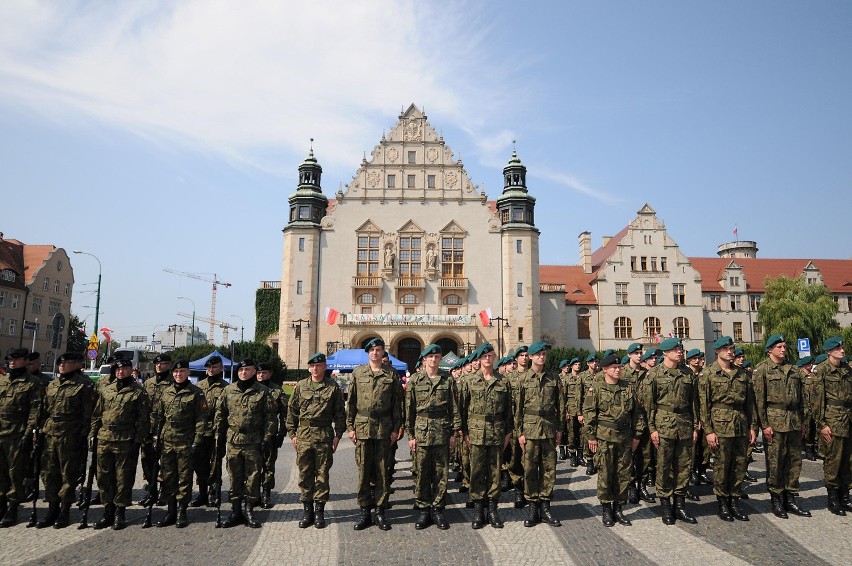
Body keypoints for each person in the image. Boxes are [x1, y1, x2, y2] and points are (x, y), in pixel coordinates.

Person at [346, 337, 402, 531]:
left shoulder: (392, 374)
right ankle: (364, 512)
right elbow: (351, 402)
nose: (375, 353)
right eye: (372, 350)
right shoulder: (357, 373)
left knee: (382, 471)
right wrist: (350, 427)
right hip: (362, 427)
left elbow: (397, 405)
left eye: (378, 350)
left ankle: (380, 511)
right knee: (363, 471)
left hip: (384, 428)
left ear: (383, 352)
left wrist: (396, 428)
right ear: (368, 353)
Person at [752, 334, 811, 518]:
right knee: (776, 462)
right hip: (774, 421)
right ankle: (776, 499)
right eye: (779, 347)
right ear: (770, 349)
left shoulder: (793, 369)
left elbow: (802, 399)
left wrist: (802, 422)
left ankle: (791, 498)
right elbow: (759, 401)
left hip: (793, 420)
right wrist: (764, 425)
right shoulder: (762, 370)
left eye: (784, 346)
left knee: (794, 461)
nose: (783, 349)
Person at [34, 352, 94, 528]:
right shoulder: (52, 385)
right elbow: (44, 410)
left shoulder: (84, 385)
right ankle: (52, 508)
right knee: (48, 473)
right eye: (60, 362)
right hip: (50, 435)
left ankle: (64, 510)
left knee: (67, 474)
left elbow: (87, 414)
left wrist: (83, 437)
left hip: (70, 436)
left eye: (66, 362)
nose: (61, 365)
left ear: (76, 364)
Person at [214, 359, 276, 528]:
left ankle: (249, 509)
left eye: (247, 369)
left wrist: (266, 439)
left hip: (253, 441)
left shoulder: (263, 392)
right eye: (241, 370)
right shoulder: (229, 390)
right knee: (235, 477)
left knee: (253, 477)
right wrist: (218, 436)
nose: (243, 372)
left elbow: (270, 418)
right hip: (233, 441)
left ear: (254, 371)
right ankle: (235, 511)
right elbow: (220, 414)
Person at [286, 352, 346, 529]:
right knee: (305, 474)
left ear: (325, 367)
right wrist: (292, 434)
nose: (315, 368)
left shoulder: (333, 387)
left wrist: (338, 435)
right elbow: (292, 411)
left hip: (324, 435)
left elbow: (340, 414)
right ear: (309, 368)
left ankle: (319, 512)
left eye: (319, 365)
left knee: (322, 474)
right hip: (304, 435)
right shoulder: (301, 386)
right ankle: (307, 511)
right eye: (312, 366)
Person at [89, 358, 150, 530]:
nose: (120, 371)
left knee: (123, 477)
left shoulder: (139, 392)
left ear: (131, 370)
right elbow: (97, 414)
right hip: (105, 437)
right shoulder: (106, 390)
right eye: (118, 369)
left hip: (125, 439)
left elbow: (143, 419)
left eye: (124, 369)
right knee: (103, 476)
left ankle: (120, 513)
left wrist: (138, 441)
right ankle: (107, 510)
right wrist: (92, 434)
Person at [584, 353, 643, 527]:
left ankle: (619, 508)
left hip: (624, 437)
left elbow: (638, 414)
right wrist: (591, 437)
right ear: (604, 369)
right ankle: (606, 509)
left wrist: (637, 436)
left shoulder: (628, 388)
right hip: (604, 438)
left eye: (619, 367)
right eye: (614, 368)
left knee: (623, 473)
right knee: (605, 473)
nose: (618, 370)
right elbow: (589, 413)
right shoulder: (596, 388)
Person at [700, 336, 756, 522]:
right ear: (717, 351)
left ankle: (734, 500)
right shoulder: (709, 374)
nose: (730, 352)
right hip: (720, 425)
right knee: (722, 466)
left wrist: (752, 427)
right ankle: (722, 502)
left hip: (740, 424)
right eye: (725, 349)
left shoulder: (742, 375)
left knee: (739, 465)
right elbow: (704, 406)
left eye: (731, 348)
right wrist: (709, 431)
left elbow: (750, 404)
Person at [459, 343, 512, 529]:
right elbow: (461, 409)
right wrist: (464, 432)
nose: (488, 358)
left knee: (495, 472)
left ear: (494, 357)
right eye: (484, 356)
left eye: (490, 355)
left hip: (497, 432)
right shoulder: (469, 381)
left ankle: (493, 509)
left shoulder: (503, 382)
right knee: (477, 472)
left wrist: (508, 433)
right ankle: (478, 510)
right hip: (476, 433)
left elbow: (508, 412)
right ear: (479, 359)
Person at [405, 344, 458, 530]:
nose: (434, 360)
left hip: (442, 432)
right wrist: (410, 435)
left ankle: (438, 509)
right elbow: (409, 410)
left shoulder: (448, 380)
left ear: (440, 359)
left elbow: (454, 409)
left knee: (441, 473)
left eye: (437, 357)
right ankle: (423, 510)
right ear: (425, 359)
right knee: (422, 473)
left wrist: (453, 433)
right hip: (421, 432)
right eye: (430, 357)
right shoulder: (415, 381)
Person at [647, 338, 699, 525]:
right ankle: (666, 506)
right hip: (664, 425)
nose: (679, 352)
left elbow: (694, 403)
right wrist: (652, 429)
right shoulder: (654, 374)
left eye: (680, 349)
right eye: (676, 349)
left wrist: (694, 426)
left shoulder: (688, 374)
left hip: (684, 424)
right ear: (665, 352)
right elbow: (649, 404)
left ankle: (680, 505)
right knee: (664, 467)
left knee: (684, 466)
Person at [152, 359, 208, 528]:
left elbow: (201, 419)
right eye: (176, 372)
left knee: (184, 478)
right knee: (168, 477)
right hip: (168, 441)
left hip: (186, 441)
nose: (178, 374)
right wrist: (156, 437)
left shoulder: (196, 393)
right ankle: (171, 511)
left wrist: (197, 442)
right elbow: (159, 416)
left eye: (182, 371)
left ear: (188, 373)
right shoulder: (166, 392)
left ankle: (182, 512)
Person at [515, 341, 564, 527]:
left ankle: (546, 506)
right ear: (531, 357)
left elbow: (560, 405)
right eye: (538, 355)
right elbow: (517, 408)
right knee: (529, 470)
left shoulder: (553, 378)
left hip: (549, 428)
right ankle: (532, 507)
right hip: (529, 430)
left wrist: (560, 429)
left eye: (544, 354)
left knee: (549, 469)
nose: (542, 357)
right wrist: (519, 432)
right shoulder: (523, 379)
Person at [0, 348, 43, 528]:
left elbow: (35, 411)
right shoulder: (2, 381)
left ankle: (13, 507)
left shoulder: (32, 383)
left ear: (25, 361)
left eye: (16, 359)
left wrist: (29, 433)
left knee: (15, 473)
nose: (12, 362)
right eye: (10, 359)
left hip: (17, 434)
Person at [810, 336, 852, 516]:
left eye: (842, 348)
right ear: (829, 351)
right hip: (832, 421)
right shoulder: (822, 371)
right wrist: (822, 424)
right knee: (833, 460)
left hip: (848, 420)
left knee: (848, 461)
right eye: (838, 348)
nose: (842, 351)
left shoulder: (847, 370)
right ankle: (833, 498)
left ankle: (845, 496)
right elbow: (817, 402)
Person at [193, 355, 228, 508]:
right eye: (208, 368)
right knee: (199, 464)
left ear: (221, 368)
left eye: (214, 367)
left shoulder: (226, 388)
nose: (211, 370)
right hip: (200, 431)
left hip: (216, 432)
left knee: (215, 464)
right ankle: (202, 493)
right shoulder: (199, 386)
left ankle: (214, 492)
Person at [621, 343, 654, 504]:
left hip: (646, 419)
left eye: (640, 353)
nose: (639, 356)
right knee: (629, 455)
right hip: (628, 421)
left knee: (646, 456)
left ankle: (642, 486)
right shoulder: (621, 373)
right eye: (635, 353)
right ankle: (631, 486)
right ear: (629, 355)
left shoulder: (648, 374)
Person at [140, 353, 173, 507]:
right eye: (157, 364)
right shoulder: (148, 383)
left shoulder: (173, 383)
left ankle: (165, 492)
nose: (159, 366)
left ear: (169, 365)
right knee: (147, 461)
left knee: (166, 462)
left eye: (163, 363)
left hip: (166, 429)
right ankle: (151, 490)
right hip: (149, 429)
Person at [256, 361, 288, 509]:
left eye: (264, 373)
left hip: (270, 434)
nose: (261, 375)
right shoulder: (252, 389)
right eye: (259, 373)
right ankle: (253, 493)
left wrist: (282, 433)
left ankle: (266, 493)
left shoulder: (277, 391)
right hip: (253, 436)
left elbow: (284, 414)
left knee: (268, 465)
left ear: (270, 374)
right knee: (253, 466)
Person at [504, 345, 529, 507]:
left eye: (527, 355)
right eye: (521, 355)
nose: (524, 358)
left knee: (530, 459)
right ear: (516, 359)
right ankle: (518, 489)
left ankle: (528, 492)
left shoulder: (534, 375)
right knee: (514, 460)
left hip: (531, 424)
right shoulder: (509, 378)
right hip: (513, 424)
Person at [578, 354, 600, 476]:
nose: (595, 364)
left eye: (596, 361)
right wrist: (580, 413)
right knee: (588, 435)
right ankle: (590, 461)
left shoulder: (601, 375)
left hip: (600, 411)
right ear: (587, 363)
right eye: (592, 361)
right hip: (587, 410)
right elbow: (578, 395)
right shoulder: (582, 376)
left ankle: (598, 460)